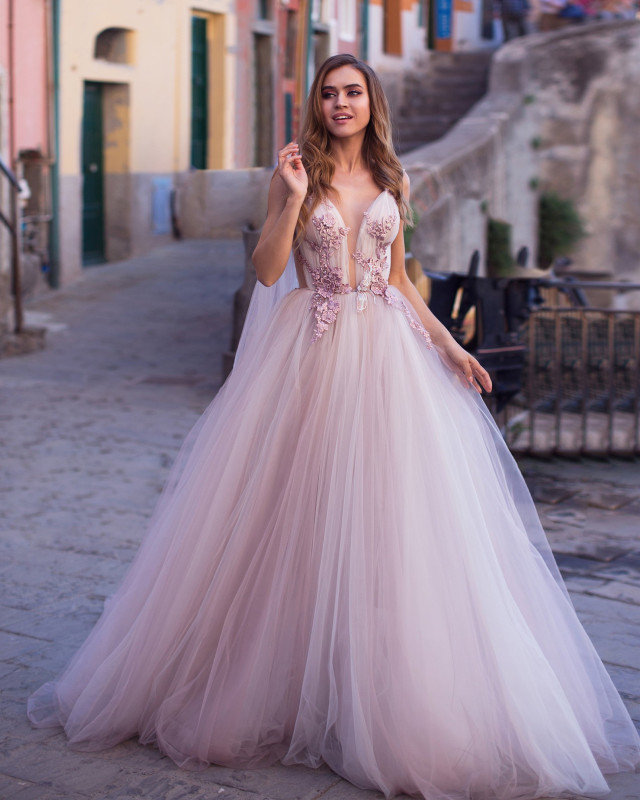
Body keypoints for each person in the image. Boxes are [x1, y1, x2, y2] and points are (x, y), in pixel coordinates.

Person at [28, 53, 640, 799]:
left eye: (353, 92)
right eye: (330, 94)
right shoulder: (295, 174)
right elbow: (264, 270)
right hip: (310, 356)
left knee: (393, 528)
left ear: (370, 101)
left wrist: (451, 348)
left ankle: (378, 688)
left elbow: (399, 281)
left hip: (388, 361)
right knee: (290, 517)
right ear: (316, 105)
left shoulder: (394, 178)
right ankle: (276, 681)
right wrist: (287, 199)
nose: (341, 104)